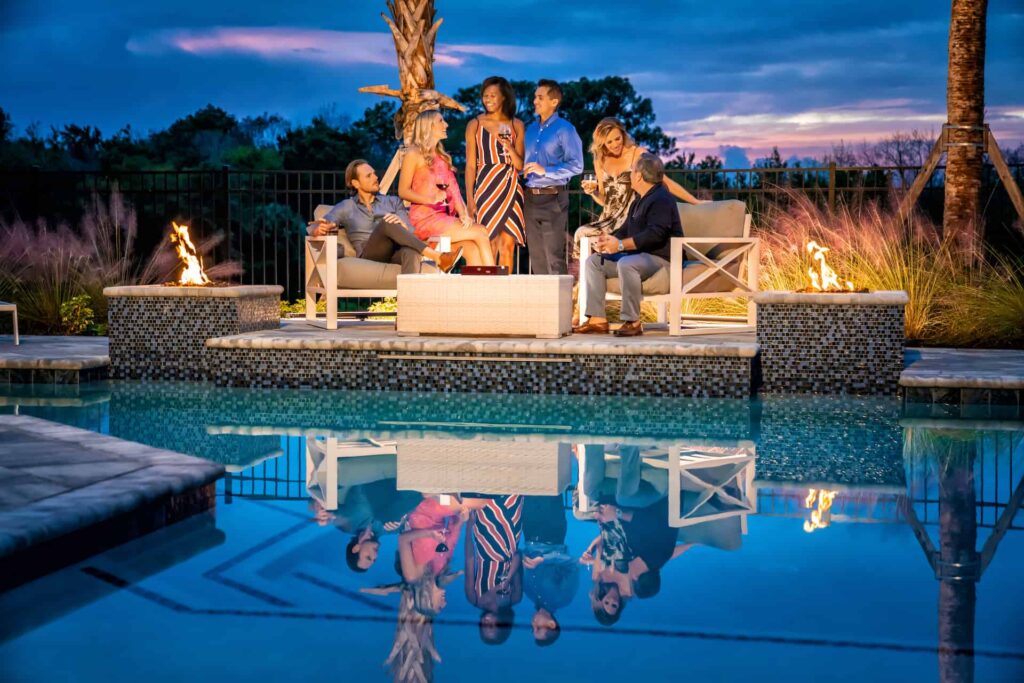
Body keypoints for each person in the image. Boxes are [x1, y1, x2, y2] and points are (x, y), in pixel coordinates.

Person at [574, 153, 683, 337]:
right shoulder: (639, 200)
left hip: (661, 259)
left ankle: (632, 321)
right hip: (640, 256)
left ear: (639, 175)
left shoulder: (662, 199)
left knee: (627, 263)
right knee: (594, 262)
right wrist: (608, 241)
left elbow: (655, 235)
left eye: (632, 171)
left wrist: (621, 246)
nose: (630, 174)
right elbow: (625, 230)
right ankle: (597, 319)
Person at [575, 118, 703, 265]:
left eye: (617, 138)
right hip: (609, 218)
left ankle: (599, 276)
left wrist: (695, 201)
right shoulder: (600, 160)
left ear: (623, 134)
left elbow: (664, 181)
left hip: (630, 217)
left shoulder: (637, 153)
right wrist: (592, 192)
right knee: (581, 234)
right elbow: (605, 200)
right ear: (602, 143)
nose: (615, 144)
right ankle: (589, 280)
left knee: (593, 238)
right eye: (609, 142)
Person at [307, 159, 461, 273]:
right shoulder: (347, 206)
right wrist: (317, 229)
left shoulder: (393, 202)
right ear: (355, 183)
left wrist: (401, 224)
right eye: (369, 176)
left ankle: (408, 307)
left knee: (411, 251)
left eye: (374, 173)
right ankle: (438, 257)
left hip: (394, 251)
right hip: (369, 254)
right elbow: (316, 225)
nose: (375, 177)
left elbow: (411, 232)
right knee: (386, 222)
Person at [399, 110, 496, 267]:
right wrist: (430, 199)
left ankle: (480, 289)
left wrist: (464, 214)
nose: (446, 124)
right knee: (481, 231)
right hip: (424, 220)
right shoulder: (413, 153)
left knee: (472, 249)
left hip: (443, 218)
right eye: (441, 121)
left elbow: (454, 191)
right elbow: (403, 191)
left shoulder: (442, 157)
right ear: (428, 126)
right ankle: (496, 283)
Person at [522, 79, 584, 275]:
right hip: (530, 197)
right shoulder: (530, 130)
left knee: (554, 257)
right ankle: (542, 305)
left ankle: (561, 305)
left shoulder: (565, 129)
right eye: (534, 97)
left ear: (554, 101)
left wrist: (546, 171)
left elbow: (577, 165)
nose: (534, 101)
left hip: (554, 198)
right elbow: (527, 164)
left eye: (540, 97)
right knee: (537, 258)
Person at [465, 76, 526, 269]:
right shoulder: (474, 124)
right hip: (485, 188)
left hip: (510, 187)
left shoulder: (517, 125)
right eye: (485, 95)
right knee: (488, 243)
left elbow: (520, 166)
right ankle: (487, 294)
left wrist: (510, 149)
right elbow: (470, 166)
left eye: (493, 95)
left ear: (504, 98)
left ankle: (505, 296)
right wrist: (470, 199)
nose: (488, 99)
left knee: (507, 246)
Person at [464, 494, 523, 645]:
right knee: (512, 493)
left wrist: (469, 526)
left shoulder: (474, 598)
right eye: (491, 626)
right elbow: (518, 557)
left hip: (484, 541)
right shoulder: (514, 598)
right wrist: (507, 579)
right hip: (509, 539)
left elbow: (469, 560)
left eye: (484, 627)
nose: (486, 623)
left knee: (485, 494)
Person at [522, 494, 579, 647]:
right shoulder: (563, 597)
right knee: (550, 483)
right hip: (552, 534)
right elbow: (573, 564)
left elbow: (521, 560)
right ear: (551, 624)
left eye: (532, 628)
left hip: (529, 532)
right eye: (538, 628)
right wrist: (544, 559)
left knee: (527, 487)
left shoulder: (529, 593)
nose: (533, 624)